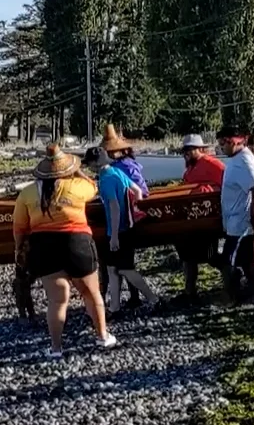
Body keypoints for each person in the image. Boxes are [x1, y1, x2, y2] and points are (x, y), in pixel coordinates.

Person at [12, 146, 116, 357]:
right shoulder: (78, 186)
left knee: (57, 300)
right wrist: (77, 171)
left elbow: (20, 227)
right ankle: (103, 336)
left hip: (44, 246)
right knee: (91, 293)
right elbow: (93, 187)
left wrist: (19, 250)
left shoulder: (28, 192)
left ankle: (56, 348)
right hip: (77, 243)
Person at [88, 128, 163, 314]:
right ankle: (114, 306)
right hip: (129, 226)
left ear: (96, 164)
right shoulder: (116, 171)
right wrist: (132, 207)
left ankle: (153, 298)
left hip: (119, 230)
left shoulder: (106, 180)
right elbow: (138, 191)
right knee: (113, 268)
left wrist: (113, 235)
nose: (88, 167)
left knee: (126, 269)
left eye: (89, 164)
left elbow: (113, 206)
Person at [175, 134, 225, 302]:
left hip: (208, 218)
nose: (186, 153)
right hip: (191, 219)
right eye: (185, 150)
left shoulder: (212, 164)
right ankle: (190, 292)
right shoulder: (189, 167)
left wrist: (207, 190)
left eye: (190, 150)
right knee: (188, 256)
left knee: (209, 256)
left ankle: (232, 272)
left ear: (200, 149)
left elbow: (226, 183)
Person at [220, 132, 254, 300]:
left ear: (234, 142)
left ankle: (232, 295)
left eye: (224, 143)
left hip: (240, 220)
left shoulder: (244, 159)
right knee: (245, 260)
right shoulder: (237, 158)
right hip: (234, 220)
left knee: (228, 260)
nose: (221, 147)